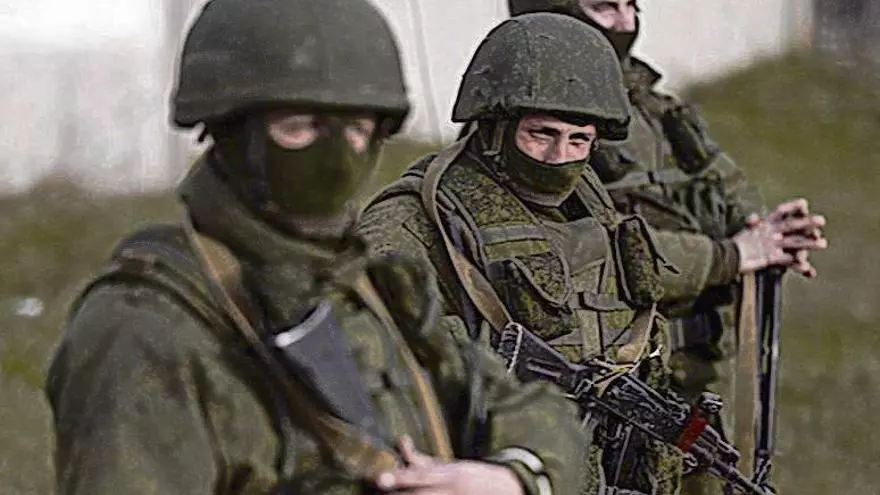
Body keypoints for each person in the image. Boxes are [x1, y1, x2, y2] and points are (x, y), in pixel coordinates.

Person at [44, 1, 589, 494]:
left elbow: (528, 407)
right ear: (230, 129)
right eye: (300, 127)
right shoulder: (148, 326)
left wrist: (512, 475)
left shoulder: (374, 287)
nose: (335, 158)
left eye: (356, 129)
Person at [504, 2, 828, 493]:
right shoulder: (537, 127)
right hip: (606, 384)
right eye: (605, 6)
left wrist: (769, 232)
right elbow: (591, 247)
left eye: (631, 5)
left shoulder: (650, 106)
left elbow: (719, 179)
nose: (626, 23)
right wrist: (733, 255)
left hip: (687, 371)